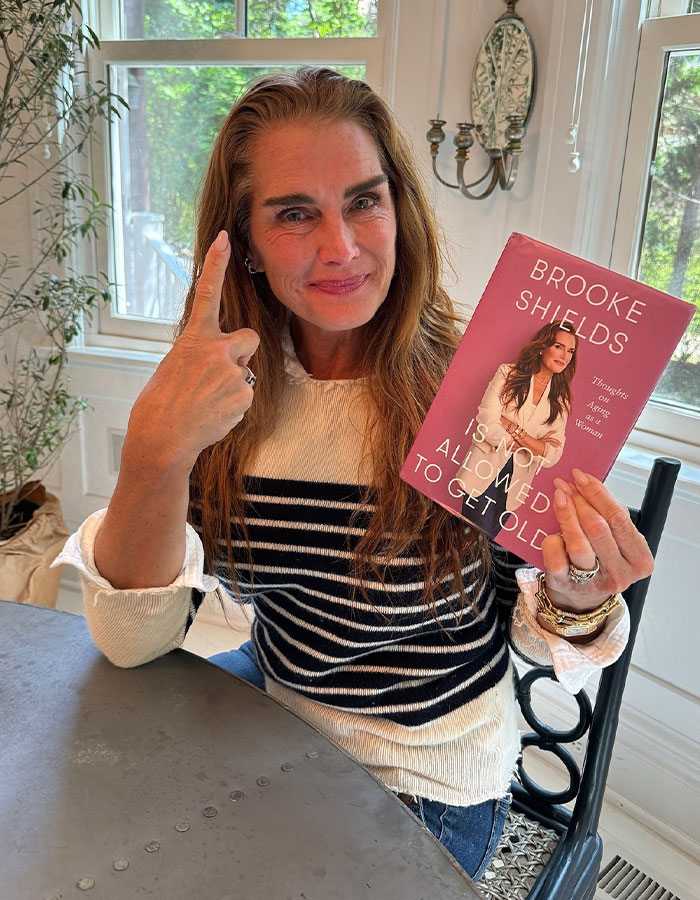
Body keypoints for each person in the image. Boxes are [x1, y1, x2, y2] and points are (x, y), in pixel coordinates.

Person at [54, 68, 653, 881]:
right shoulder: (227, 390)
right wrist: (154, 452)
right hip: (277, 711)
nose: (340, 247)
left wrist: (579, 601)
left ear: (398, 209)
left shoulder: (470, 392)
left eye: (364, 201)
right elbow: (134, 644)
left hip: (425, 773)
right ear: (245, 242)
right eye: (294, 214)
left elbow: (536, 637)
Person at [455, 321, 578, 538]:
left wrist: (512, 427)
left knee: (487, 542)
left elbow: (553, 455)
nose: (564, 356)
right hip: (484, 468)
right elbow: (487, 422)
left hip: (515, 484)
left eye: (570, 351)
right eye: (559, 346)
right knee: (470, 537)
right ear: (542, 347)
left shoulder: (561, 401)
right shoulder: (508, 374)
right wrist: (534, 445)